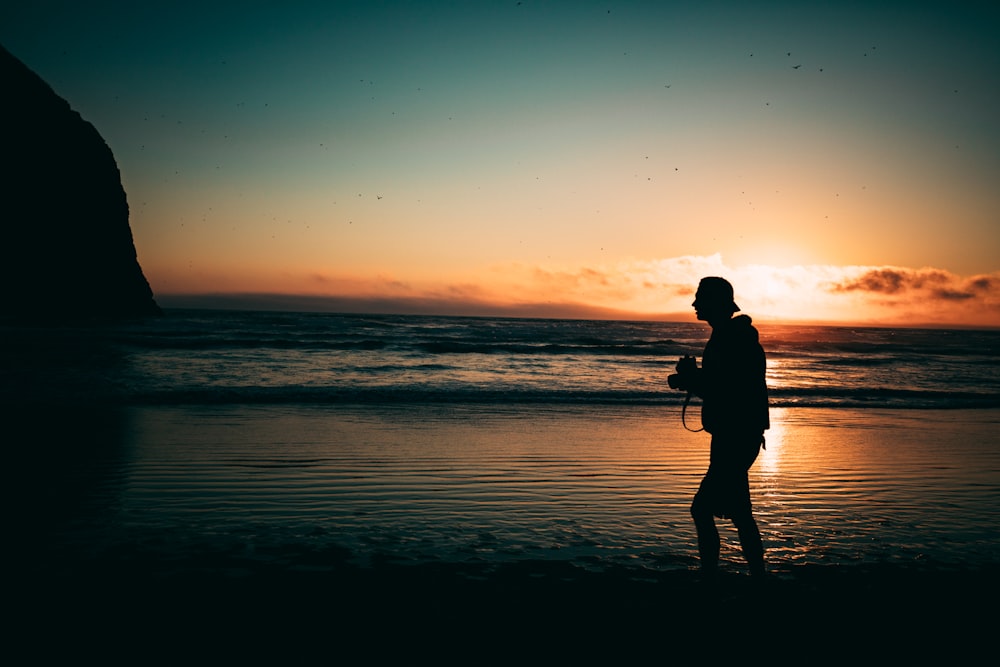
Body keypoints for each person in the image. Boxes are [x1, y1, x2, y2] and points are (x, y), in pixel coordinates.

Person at [667, 277, 769, 579]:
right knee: (740, 514)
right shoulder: (731, 337)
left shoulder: (731, 339)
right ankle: (756, 577)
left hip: (735, 438)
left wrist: (688, 380)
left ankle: (711, 575)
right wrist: (693, 377)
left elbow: (725, 390)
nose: (695, 304)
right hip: (736, 436)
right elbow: (723, 384)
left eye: (701, 298)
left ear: (716, 303)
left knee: (702, 510)